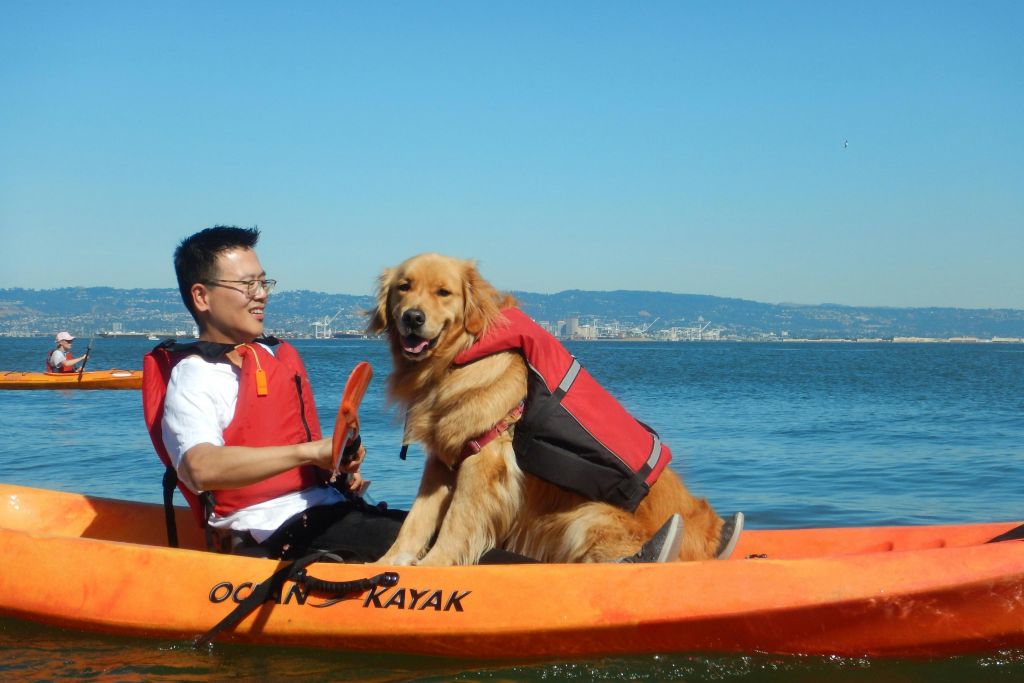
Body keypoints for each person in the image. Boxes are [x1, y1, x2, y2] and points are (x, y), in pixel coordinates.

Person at [147, 225, 404, 562]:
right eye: (246, 285)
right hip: (270, 531)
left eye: (263, 282)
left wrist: (338, 459)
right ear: (201, 297)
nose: (261, 294)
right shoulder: (195, 376)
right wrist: (309, 453)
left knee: (461, 530)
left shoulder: (272, 355)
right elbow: (200, 467)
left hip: (328, 509)